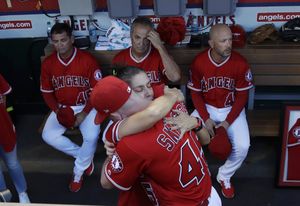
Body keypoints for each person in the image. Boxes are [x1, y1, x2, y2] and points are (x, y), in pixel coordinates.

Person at [90, 75, 221, 206]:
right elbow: (166, 98)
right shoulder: (173, 103)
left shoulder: (130, 145)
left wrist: (111, 154)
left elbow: (106, 183)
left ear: (114, 115)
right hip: (210, 194)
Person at [187, 24, 254, 199]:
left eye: (230, 39)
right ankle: (200, 172)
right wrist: (206, 118)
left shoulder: (240, 63)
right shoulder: (199, 62)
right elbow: (195, 93)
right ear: (211, 43)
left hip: (231, 109)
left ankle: (224, 176)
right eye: (223, 41)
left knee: (243, 146)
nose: (228, 44)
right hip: (207, 108)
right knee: (184, 138)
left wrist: (226, 123)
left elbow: (241, 98)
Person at [40, 23, 102, 192]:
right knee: (48, 135)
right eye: (56, 41)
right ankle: (83, 157)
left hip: (87, 106)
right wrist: (58, 111)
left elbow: (97, 93)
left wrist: (84, 113)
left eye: (63, 40)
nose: (60, 45)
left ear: (72, 40)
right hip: (62, 107)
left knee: (91, 136)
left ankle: (78, 173)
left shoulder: (87, 60)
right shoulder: (48, 63)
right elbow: (46, 93)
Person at [112, 16, 181, 85]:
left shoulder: (160, 55)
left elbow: (175, 77)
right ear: (131, 35)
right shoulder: (120, 58)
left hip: (158, 95)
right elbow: (116, 88)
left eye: (146, 38)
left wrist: (160, 46)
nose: (141, 43)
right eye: (137, 37)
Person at [0, 74, 30, 203]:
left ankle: (22, 192)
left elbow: (5, 95)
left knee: (12, 163)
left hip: (4, 127)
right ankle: (4, 195)